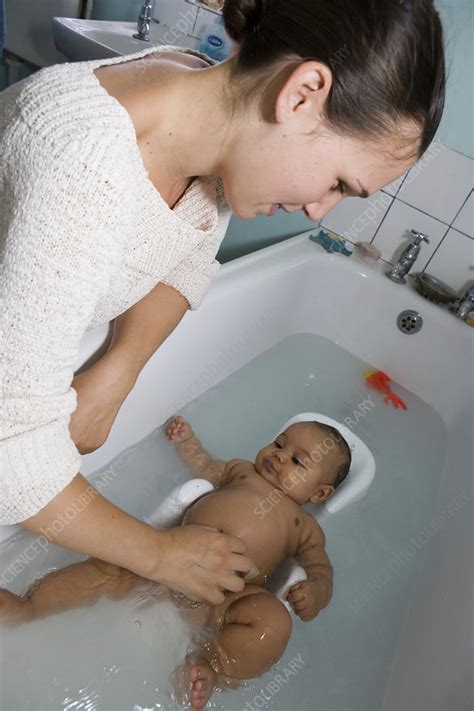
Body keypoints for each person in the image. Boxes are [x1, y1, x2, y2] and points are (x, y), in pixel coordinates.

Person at [0, 0, 445, 604]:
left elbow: (187, 250)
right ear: (303, 93)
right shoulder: (86, 164)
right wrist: (162, 554)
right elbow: (9, 454)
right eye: (339, 181)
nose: (321, 209)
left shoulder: (205, 112)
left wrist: (118, 369)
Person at [0, 416, 350, 710]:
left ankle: (210, 665)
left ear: (319, 494)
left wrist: (316, 592)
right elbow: (203, 463)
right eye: (279, 444)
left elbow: (321, 569)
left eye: (298, 461)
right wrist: (187, 440)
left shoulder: (305, 528)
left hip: (226, 596)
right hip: (174, 555)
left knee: (273, 624)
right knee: (106, 567)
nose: (279, 455)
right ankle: (30, 608)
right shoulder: (241, 472)